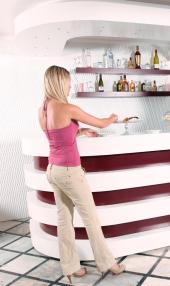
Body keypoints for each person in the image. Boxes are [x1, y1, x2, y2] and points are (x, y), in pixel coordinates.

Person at [38, 65, 125, 283]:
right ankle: (108, 263)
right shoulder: (67, 108)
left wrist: (79, 131)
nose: (70, 86)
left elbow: (56, 136)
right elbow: (102, 123)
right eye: (67, 82)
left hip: (53, 170)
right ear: (59, 82)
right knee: (91, 218)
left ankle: (70, 267)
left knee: (64, 219)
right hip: (69, 172)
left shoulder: (43, 109)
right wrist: (114, 117)